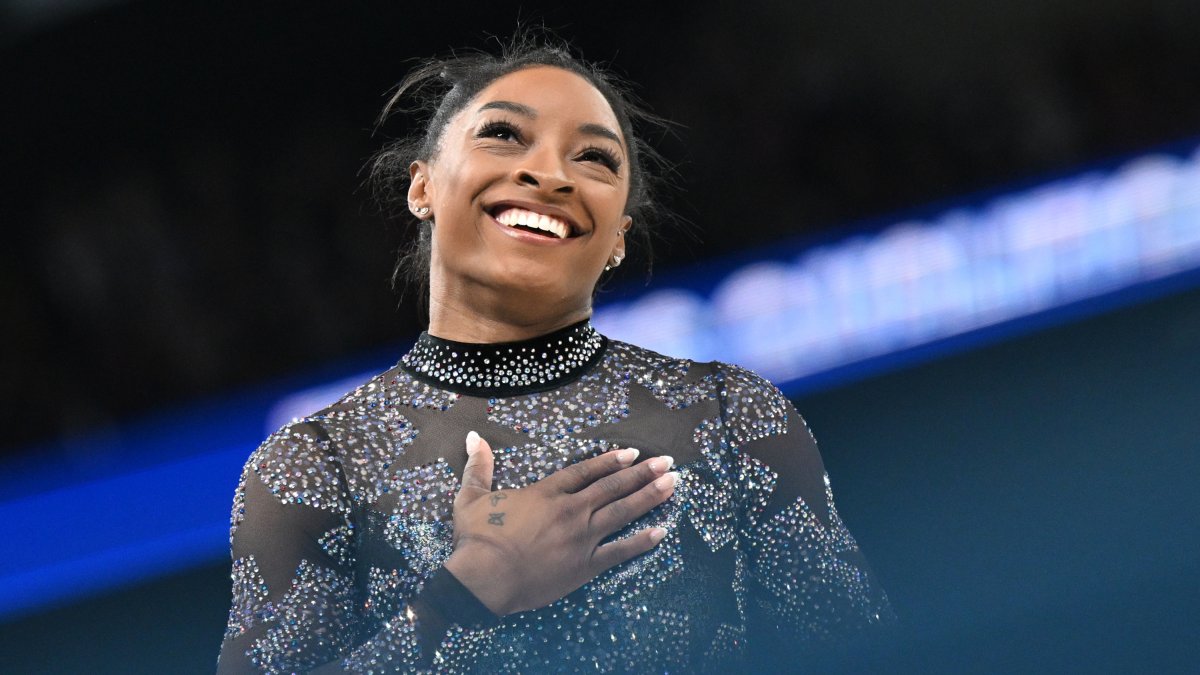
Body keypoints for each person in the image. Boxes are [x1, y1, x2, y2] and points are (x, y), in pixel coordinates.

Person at [216, 37, 893, 674]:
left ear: (620, 235)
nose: (548, 174)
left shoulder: (730, 413)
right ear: (422, 186)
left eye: (594, 158)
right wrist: (463, 597)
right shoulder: (316, 465)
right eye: (503, 134)